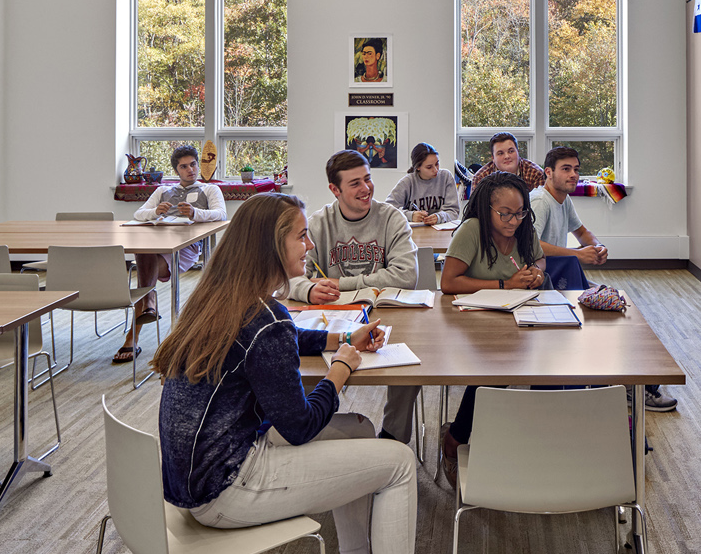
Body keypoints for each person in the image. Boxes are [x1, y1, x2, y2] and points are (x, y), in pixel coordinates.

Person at [150, 193, 472, 554]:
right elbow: (300, 426)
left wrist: (340, 338)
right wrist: (340, 369)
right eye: (300, 236)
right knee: (399, 463)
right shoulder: (264, 321)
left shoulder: (223, 300)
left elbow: (283, 340)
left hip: (197, 478)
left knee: (361, 429)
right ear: (270, 245)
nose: (308, 245)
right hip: (227, 488)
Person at [287, 150, 424, 447]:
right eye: (355, 183)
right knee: (300, 362)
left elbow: (405, 275)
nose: (366, 189)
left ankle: (393, 439)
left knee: (408, 367)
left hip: (388, 315)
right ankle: (315, 432)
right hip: (332, 319)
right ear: (334, 190)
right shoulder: (318, 223)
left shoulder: (392, 218)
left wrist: (340, 282)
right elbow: (292, 276)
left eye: (368, 179)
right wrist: (308, 290)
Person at [529, 146, 679, 413]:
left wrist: (597, 246)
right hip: (548, 283)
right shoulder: (541, 201)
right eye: (566, 169)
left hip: (563, 275)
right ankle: (629, 386)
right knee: (613, 313)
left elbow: (582, 231)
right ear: (548, 173)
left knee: (622, 306)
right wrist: (577, 254)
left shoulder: (564, 199)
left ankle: (632, 383)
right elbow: (533, 245)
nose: (573, 175)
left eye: (576, 169)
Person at [437, 172, 546, 485]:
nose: (514, 221)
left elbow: (539, 261)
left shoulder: (525, 228)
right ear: (487, 210)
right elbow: (448, 283)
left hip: (519, 317)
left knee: (543, 369)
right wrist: (505, 283)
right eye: (505, 214)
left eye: (520, 212)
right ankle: (457, 438)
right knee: (496, 371)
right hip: (473, 322)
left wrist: (536, 275)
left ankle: (535, 441)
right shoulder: (472, 230)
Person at [115, 145, 226, 364]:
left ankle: (139, 321)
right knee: (143, 245)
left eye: (193, 165)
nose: (190, 170)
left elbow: (221, 214)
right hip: (158, 244)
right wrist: (156, 212)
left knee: (144, 259)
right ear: (176, 170)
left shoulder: (210, 190)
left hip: (186, 248)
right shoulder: (162, 191)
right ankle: (147, 302)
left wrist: (196, 213)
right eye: (184, 167)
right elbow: (139, 214)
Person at [387, 143, 460, 226]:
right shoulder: (407, 182)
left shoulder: (446, 177)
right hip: (414, 233)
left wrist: (439, 217)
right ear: (418, 167)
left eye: (437, 164)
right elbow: (388, 210)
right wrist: (410, 215)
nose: (436, 170)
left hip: (441, 232)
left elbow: (453, 211)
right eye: (429, 167)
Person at [467, 132, 545, 190]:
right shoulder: (480, 178)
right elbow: (475, 210)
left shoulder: (536, 174)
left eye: (511, 151)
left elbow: (540, 210)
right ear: (493, 158)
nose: (507, 156)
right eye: (500, 153)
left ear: (518, 152)